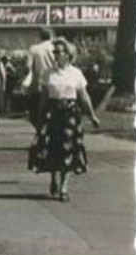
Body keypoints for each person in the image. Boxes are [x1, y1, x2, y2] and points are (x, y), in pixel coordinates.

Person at [28, 39, 102, 201]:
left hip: (70, 115)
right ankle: (54, 177)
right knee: (53, 148)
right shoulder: (49, 73)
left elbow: (84, 97)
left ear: (68, 54)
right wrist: (40, 119)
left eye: (60, 51)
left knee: (69, 149)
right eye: (55, 52)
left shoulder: (76, 73)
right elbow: (44, 99)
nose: (56, 55)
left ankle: (64, 187)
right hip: (53, 114)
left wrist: (92, 115)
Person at [24, 28, 58, 132]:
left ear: (40, 36)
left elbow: (28, 66)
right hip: (55, 82)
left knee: (35, 111)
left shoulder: (34, 49)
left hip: (38, 83)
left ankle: (40, 131)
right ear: (52, 36)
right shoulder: (55, 48)